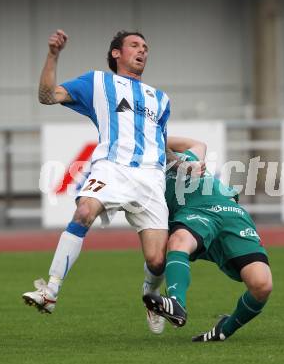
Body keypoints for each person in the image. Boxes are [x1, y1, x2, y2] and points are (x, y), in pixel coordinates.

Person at [22, 29, 191, 335]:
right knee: (84, 211)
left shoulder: (161, 99)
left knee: (157, 261)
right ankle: (51, 291)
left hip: (151, 179)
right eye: (135, 45)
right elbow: (48, 96)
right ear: (117, 53)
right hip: (112, 169)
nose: (143, 51)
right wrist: (53, 55)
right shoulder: (98, 82)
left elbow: (160, 144)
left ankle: (148, 296)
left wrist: (182, 164)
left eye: (146, 47)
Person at [143, 137, 273, 342]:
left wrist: (157, 134)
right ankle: (176, 304)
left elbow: (199, 144)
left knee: (262, 285)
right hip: (193, 213)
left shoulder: (185, 156)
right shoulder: (142, 170)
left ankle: (224, 329)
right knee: (179, 241)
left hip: (231, 211)